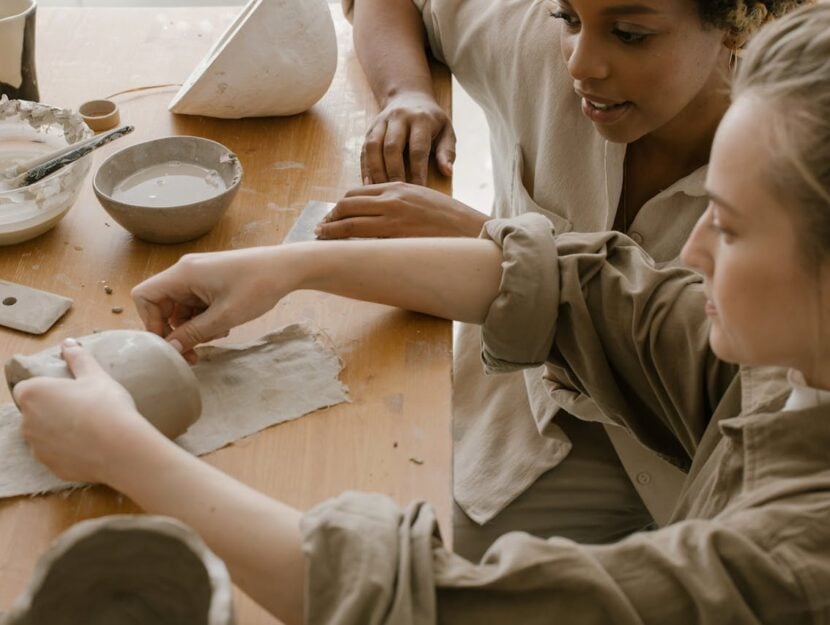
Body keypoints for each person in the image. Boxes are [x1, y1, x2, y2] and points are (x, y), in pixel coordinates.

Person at [13, 4, 830, 623]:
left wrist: (121, 450)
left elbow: (444, 601)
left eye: (726, 226)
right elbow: (590, 290)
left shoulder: (793, 559)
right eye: (568, 18)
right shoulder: (788, 367)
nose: (692, 256)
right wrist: (288, 265)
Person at [315, 0, 812, 559]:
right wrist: (405, 92)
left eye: (629, 34)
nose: (581, 63)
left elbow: (763, 389)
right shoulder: (533, 50)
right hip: (519, 434)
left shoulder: (798, 157)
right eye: (568, 19)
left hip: (716, 477)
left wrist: (489, 239)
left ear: (738, 25)